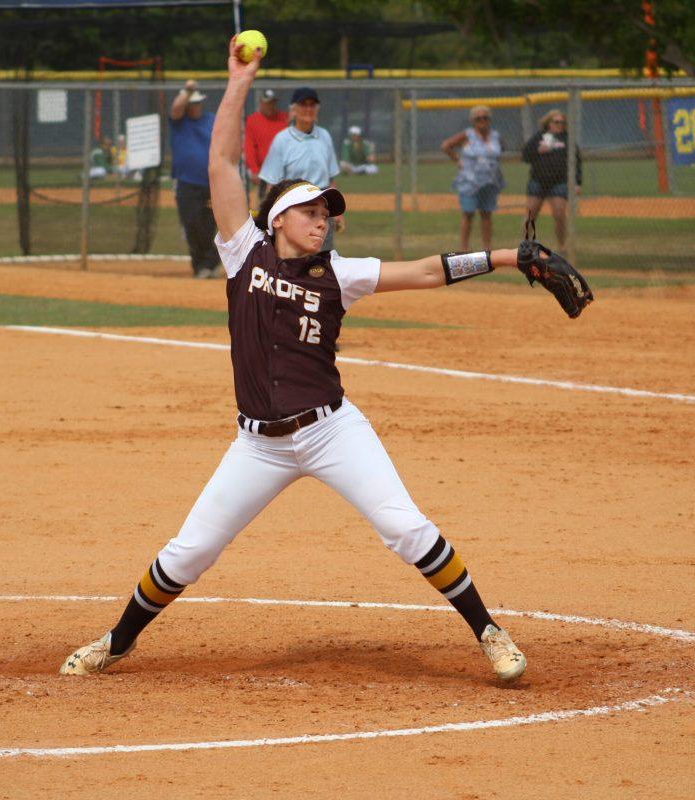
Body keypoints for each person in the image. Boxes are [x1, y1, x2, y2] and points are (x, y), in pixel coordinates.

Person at [59, 35, 532, 685]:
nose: (323, 220)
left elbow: (425, 271)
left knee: (404, 527)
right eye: (311, 212)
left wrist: (505, 257)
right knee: (190, 550)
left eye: (327, 213)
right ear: (279, 219)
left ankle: (489, 631)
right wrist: (238, 81)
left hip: (332, 430)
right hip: (258, 445)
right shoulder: (243, 253)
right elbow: (223, 165)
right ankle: (116, 641)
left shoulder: (341, 272)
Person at [258, 86, 343, 252]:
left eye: (312, 105)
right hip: (294, 202)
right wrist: (268, 215)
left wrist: (338, 213)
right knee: (295, 253)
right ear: (294, 110)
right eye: (303, 105)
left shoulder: (324, 136)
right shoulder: (282, 140)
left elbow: (331, 178)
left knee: (323, 253)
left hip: (321, 199)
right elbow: (272, 184)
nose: (308, 109)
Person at [169, 79, 220, 279]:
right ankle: (200, 265)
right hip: (187, 183)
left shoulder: (211, 120)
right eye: (192, 104)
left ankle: (208, 264)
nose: (195, 107)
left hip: (211, 183)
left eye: (197, 103)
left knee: (208, 225)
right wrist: (189, 90)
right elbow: (175, 108)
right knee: (191, 224)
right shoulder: (179, 122)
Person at [442, 105, 503, 251]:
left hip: (489, 181)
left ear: (489, 119)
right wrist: (458, 160)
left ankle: (487, 249)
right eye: (478, 118)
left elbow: (499, 151)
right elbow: (446, 146)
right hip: (470, 182)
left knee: (486, 214)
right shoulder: (467, 135)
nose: (482, 120)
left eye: (485, 117)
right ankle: (464, 249)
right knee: (468, 213)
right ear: (473, 120)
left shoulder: (495, 136)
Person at [521, 109, 580, 251]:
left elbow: (577, 161)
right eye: (556, 122)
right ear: (548, 123)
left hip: (559, 182)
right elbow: (525, 156)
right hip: (538, 181)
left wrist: (577, 182)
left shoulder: (567, 139)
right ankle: (526, 244)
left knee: (559, 214)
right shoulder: (539, 137)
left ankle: (562, 246)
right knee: (531, 214)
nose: (560, 124)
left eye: (562, 122)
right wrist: (537, 151)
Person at [244, 88, 289, 202]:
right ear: (261, 103)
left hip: (285, 172)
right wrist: (254, 169)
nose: (270, 106)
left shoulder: (285, 118)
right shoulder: (252, 120)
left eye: (272, 103)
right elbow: (249, 146)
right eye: (267, 103)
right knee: (266, 205)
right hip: (264, 173)